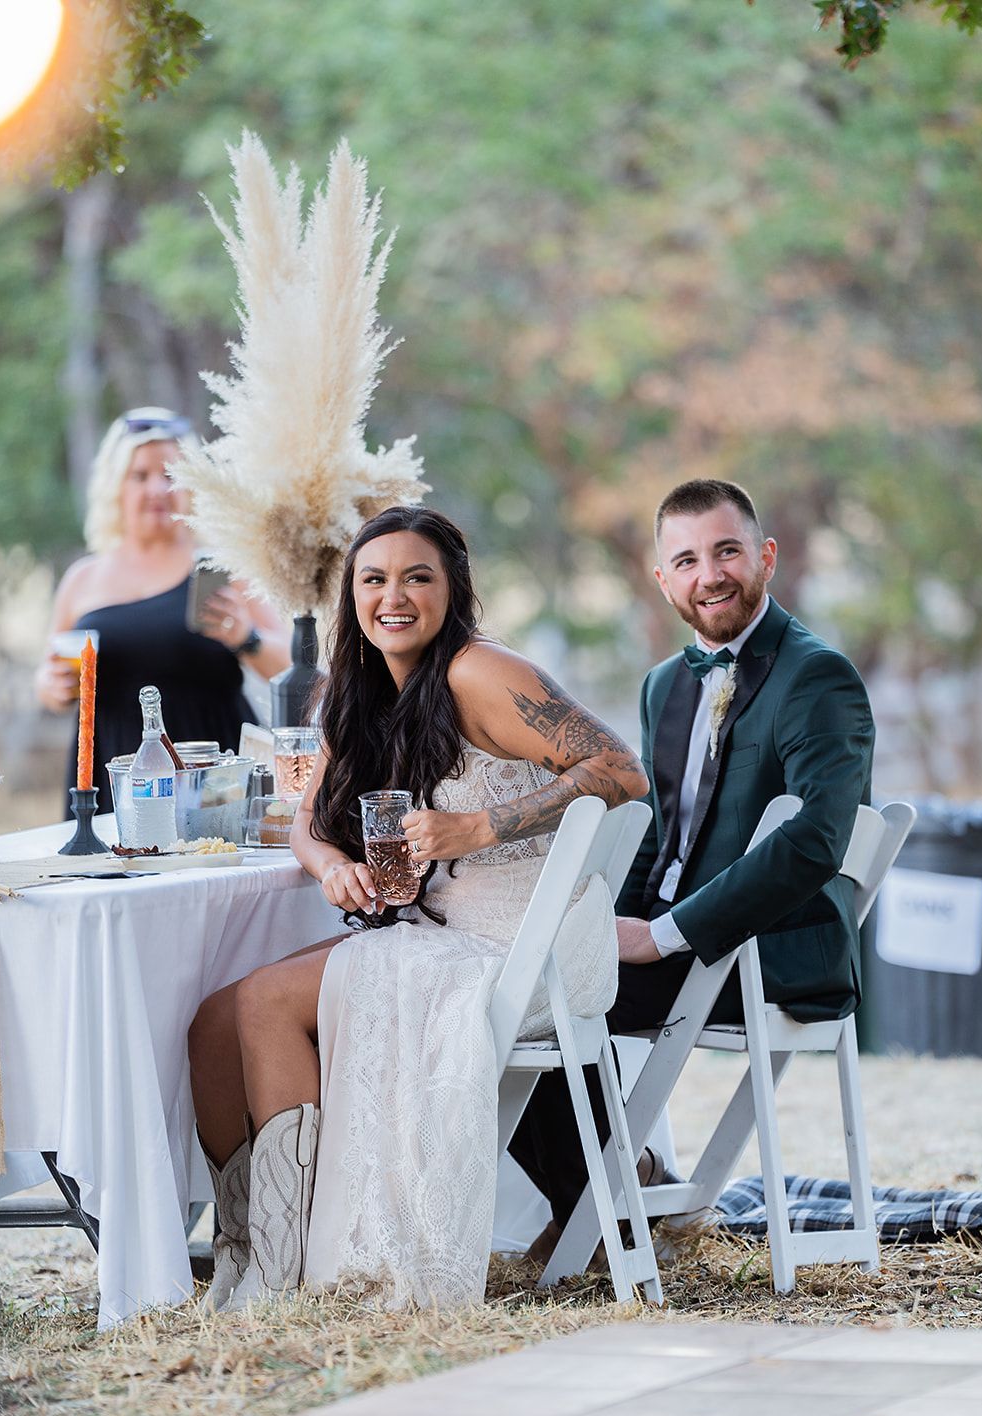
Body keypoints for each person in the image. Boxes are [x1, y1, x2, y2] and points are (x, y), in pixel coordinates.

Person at [187, 505, 648, 1311]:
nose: (391, 596)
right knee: (211, 1022)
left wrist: (479, 824)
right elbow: (304, 817)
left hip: (519, 945)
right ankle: (251, 1247)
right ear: (352, 598)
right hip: (440, 933)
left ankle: (284, 1276)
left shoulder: (478, 670)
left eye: (416, 577)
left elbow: (620, 769)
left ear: (451, 590)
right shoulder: (357, 688)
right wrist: (330, 865)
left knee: (262, 1003)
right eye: (373, 579)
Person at [509, 477, 876, 1249]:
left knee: (534, 1001)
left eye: (726, 551)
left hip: (771, 947)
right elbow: (661, 837)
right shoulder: (663, 685)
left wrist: (661, 935)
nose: (708, 574)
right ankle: (614, 1193)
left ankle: (601, 1216)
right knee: (506, 982)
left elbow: (814, 840)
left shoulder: (817, 677)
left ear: (765, 557)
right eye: (686, 559)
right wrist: (605, 918)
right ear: (662, 578)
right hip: (685, 944)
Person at [35, 407, 290, 812]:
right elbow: (50, 681)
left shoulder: (223, 567)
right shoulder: (82, 579)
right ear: (114, 486)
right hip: (112, 778)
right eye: (140, 475)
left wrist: (246, 637)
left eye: (171, 474)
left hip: (213, 778)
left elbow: (289, 669)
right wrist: (52, 687)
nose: (158, 488)